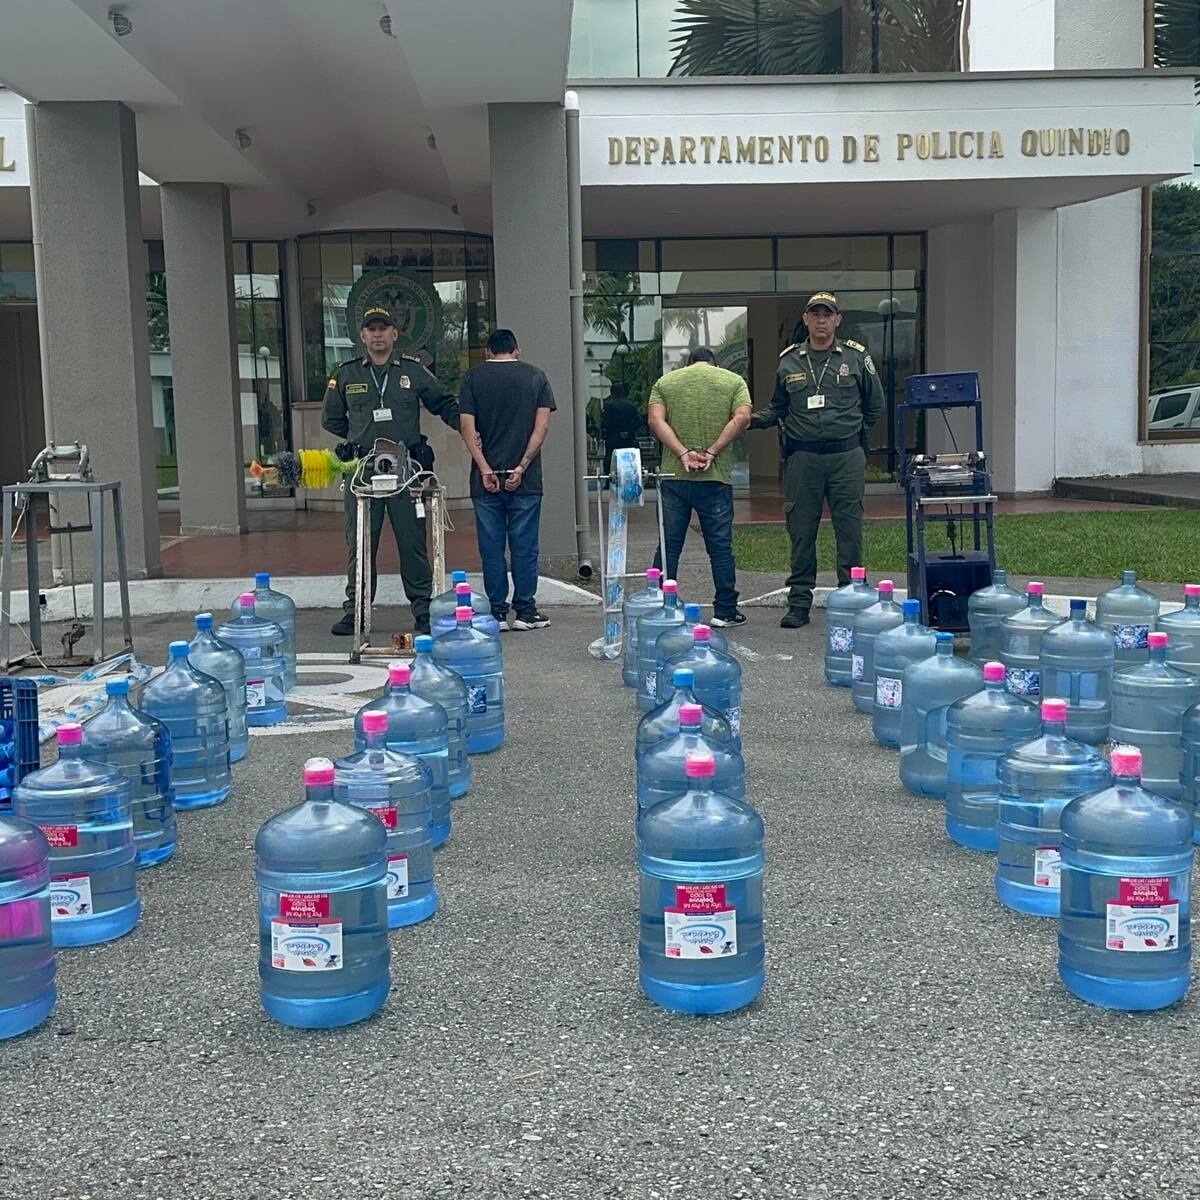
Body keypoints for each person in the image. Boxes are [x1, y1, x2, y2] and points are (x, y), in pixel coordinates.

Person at [322, 305, 459, 636]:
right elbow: (332, 419)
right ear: (362, 336)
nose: (378, 334)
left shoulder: (412, 372)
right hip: (362, 470)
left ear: (395, 334)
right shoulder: (346, 374)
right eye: (371, 329)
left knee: (412, 543)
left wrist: (473, 428)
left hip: (406, 469)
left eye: (384, 328)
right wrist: (360, 441)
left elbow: (443, 403)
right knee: (360, 542)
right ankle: (356, 611)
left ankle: (424, 612)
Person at [749, 291, 883, 629]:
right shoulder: (789, 361)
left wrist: (850, 434)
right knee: (801, 530)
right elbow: (778, 408)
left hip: (845, 457)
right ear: (806, 320)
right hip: (804, 458)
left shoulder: (855, 358)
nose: (821, 320)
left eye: (828, 314)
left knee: (849, 530)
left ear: (838, 319)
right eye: (815, 314)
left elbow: (875, 406)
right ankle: (799, 604)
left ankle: (851, 598)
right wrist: (746, 419)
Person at [457, 329, 556, 631]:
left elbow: (466, 426)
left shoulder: (472, 379)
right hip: (525, 479)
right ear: (517, 350)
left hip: (485, 479)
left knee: (491, 547)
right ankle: (525, 611)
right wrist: (522, 466)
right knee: (525, 547)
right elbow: (541, 430)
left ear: (488, 351)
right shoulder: (536, 377)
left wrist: (485, 469)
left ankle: (497, 612)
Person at [646, 346, 752, 627]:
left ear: (689, 363)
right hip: (715, 478)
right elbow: (742, 417)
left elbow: (655, 419)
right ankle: (725, 610)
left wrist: (682, 453)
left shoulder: (666, 382)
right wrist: (713, 451)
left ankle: (661, 604)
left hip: (673, 477)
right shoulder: (733, 381)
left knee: (669, 546)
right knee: (720, 547)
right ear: (713, 363)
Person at [601, 383, 641, 474]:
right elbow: (639, 420)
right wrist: (629, 432)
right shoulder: (630, 405)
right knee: (630, 459)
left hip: (613, 436)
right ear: (622, 392)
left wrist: (603, 433)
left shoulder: (608, 405)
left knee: (610, 458)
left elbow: (605, 423)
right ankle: (630, 476)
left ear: (611, 393)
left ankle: (610, 478)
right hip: (628, 438)